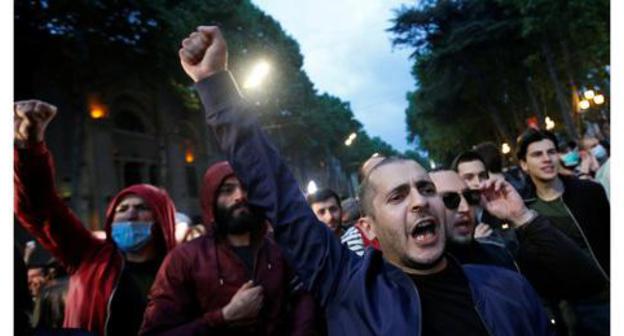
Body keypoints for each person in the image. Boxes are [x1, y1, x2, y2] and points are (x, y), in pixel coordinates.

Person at [178, 26, 552, 335]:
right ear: (367, 226)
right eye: (397, 197)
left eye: (426, 189)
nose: (419, 202)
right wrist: (216, 86)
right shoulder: (347, 285)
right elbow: (276, 190)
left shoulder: (509, 287)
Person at [14, 100, 177, 335]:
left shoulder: (183, 268)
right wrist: (29, 148)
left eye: (142, 208)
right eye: (121, 210)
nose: (130, 214)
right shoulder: (89, 257)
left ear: (162, 218)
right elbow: (41, 207)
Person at [140, 161, 316, 335]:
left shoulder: (279, 251)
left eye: (246, 188)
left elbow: (303, 302)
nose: (240, 196)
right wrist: (223, 317)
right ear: (211, 199)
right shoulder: (184, 258)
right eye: (227, 190)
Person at [517, 128, 610, 335]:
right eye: (537, 154)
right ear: (524, 164)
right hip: (573, 311)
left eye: (551, 152)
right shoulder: (523, 212)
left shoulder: (589, 192)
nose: (547, 159)